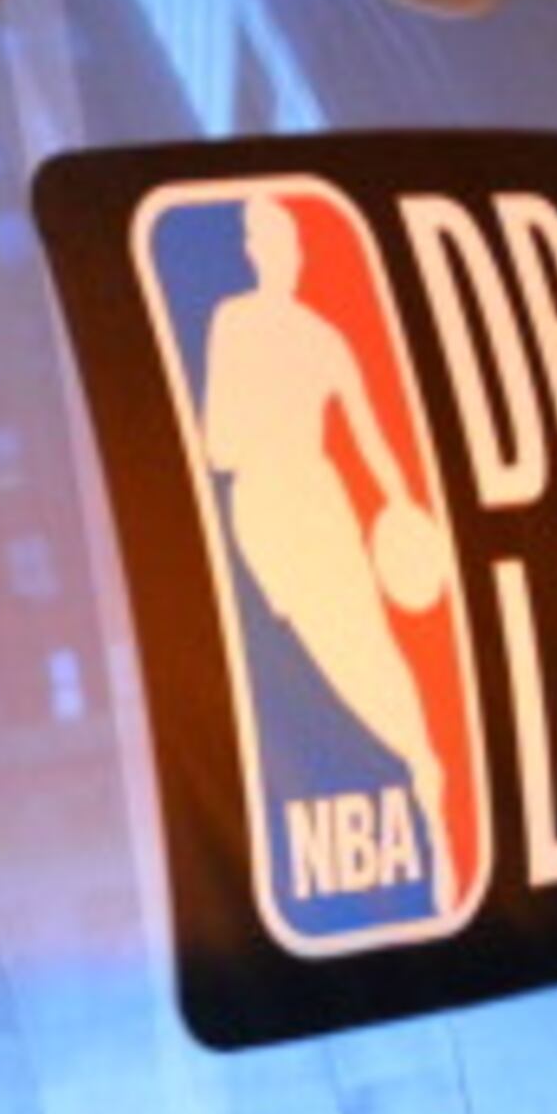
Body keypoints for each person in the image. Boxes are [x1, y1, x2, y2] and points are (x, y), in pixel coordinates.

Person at [201, 196, 453, 911]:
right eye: (263, 241)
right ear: (254, 252)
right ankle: (420, 772)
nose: (274, 254)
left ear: (290, 252)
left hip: (308, 504)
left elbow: (368, 436)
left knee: (361, 651)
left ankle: (424, 776)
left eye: (281, 242)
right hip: (269, 511)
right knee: (329, 660)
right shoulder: (239, 323)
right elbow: (220, 444)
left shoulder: (312, 335)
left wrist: (404, 509)